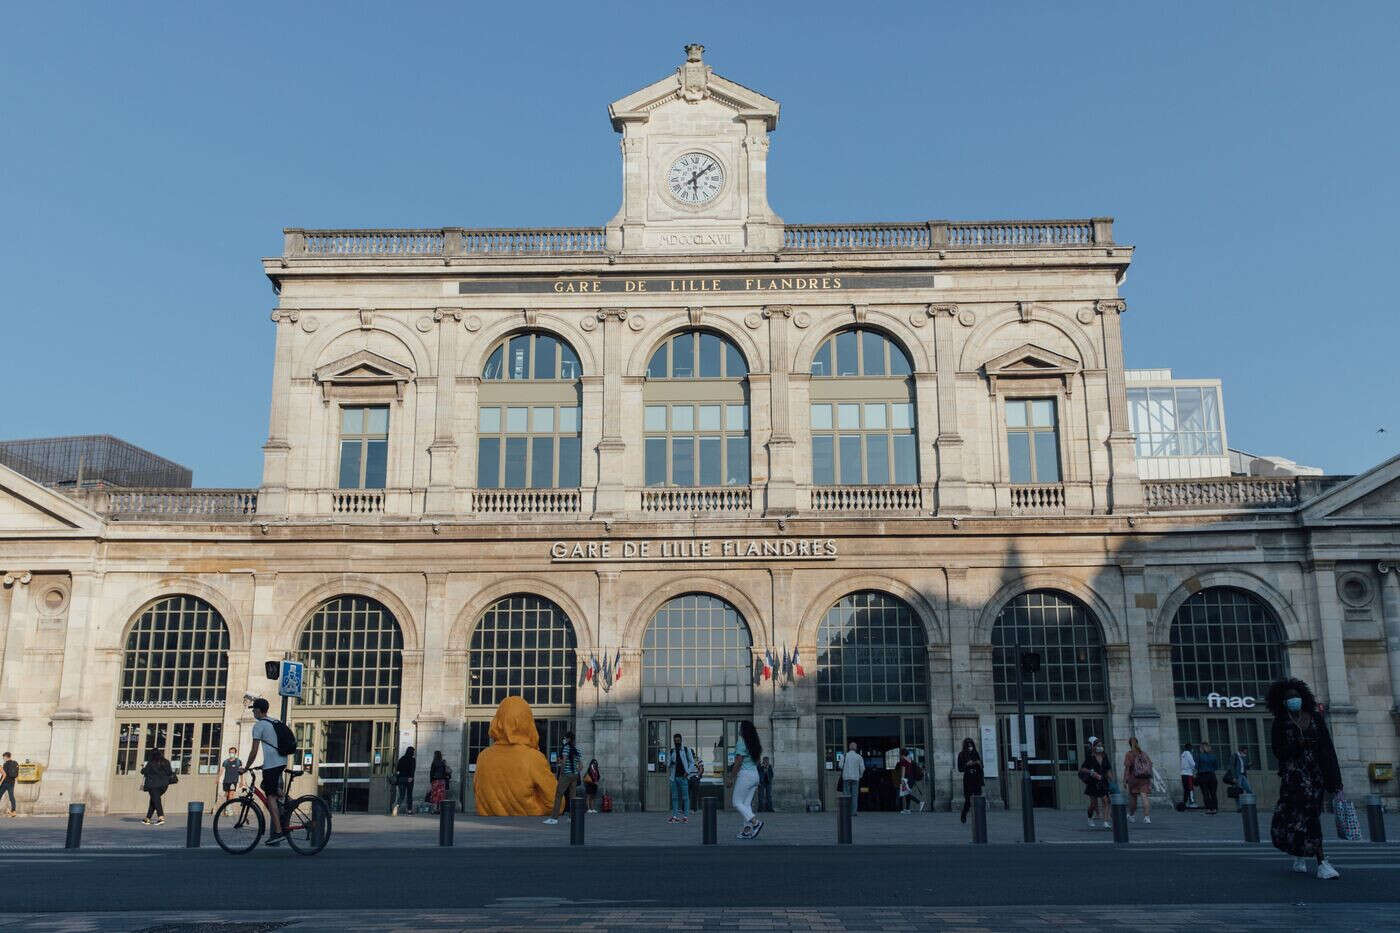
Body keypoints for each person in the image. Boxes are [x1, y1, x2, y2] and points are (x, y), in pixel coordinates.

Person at [1267, 678, 1343, 880]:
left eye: (1297, 697)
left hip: (1315, 774)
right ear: (1283, 703)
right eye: (1290, 698)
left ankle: (1300, 854)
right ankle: (1322, 862)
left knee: (1308, 816)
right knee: (1309, 817)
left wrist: (1335, 781)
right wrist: (1297, 745)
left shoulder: (1315, 719)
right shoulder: (1280, 723)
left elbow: (1328, 750)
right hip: (1294, 776)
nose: (1294, 700)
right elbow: (1278, 752)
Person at [473, 696, 554, 816]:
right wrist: (533, 810)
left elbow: (478, 794)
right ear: (527, 722)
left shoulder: (483, 757)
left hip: (486, 829)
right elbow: (554, 803)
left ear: (498, 721)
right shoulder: (534, 758)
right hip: (525, 829)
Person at [243, 697, 288, 845]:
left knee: (270, 797)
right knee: (265, 786)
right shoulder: (275, 721)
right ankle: (290, 802)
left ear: (258, 710)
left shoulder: (259, 726)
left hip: (272, 765)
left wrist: (246, 767)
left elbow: (254, 750)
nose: (253, 712)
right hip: (280, 762)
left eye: (254, 710)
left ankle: (278, 832)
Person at [727, 720, 764, 839]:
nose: (739, 730)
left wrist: (731, 777)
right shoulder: (755, 743)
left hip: (745, 775)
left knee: (736, 802)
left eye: (740, 728)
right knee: (746, 804)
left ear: (743, 730)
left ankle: (756, 823)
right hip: (755, 774)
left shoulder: (742, 742)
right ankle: (747, 830)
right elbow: (758, 761)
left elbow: (738, 762)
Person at [543, 731, 582, 825]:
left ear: (568, 739)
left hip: (566, 775)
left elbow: (563, 761)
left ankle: (554, 818)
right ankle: (572, 818)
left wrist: (562, 772)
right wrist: (576, 772)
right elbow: (581, 765)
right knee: (572, 796)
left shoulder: (566, 748)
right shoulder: (577, 750)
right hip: (574, 776)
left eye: (565, 738)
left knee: (558, 795)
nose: (564, 740)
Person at [1079, 739, 1113, 829]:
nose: (1100, 747)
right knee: (1093, 804)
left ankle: (1105, 821)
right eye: (1098, 745)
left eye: (1101, 745)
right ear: (1093, 747)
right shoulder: (1090, 757)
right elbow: (1082, 769)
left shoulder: (1104, 756)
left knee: (1106, 800)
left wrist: (1111, 780)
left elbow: (1108, 769)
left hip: (1103, 781)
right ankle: (1090, 818)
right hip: (1093, 782)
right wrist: (1092, 773)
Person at [667, 733, 700, 823]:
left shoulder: (686, 750)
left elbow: (692, 762)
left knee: (685, 797)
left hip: (683, 777)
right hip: (674, 777)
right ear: (673, 741)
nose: (677, 742)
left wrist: (687, 772)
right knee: (674, 797)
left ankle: (685, 816)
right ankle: (675, 816)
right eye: (675, 741)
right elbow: (667, 764)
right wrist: (671, 762)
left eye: (678, 740)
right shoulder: (672, 751)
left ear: (681, 741)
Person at [1122, 736, 1153, 824]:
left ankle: (1131, 816)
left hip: (1134, 779)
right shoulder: (1143, 753)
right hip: (1144, 778)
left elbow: (1127, 768)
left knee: (1133, 799)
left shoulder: (1129, 754)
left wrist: (1125, 780)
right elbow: (1150, 764)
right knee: (1144, 797)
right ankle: (1147, 817)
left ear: (1129, 744)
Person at [140, 748, 174, 826]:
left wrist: (143, 768)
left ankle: (161, 818)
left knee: (156, 800)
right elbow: (169, 772)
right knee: (153, 800)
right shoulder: (166, 762)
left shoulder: (151, 763)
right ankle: (147, 818)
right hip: (164, 785)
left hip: (153, 785)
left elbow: (144, 772)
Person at [956, 737, 984, 823]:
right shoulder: (961, 754)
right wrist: (967, 764)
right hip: (968, 779)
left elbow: (981, 766)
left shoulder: (975, 753)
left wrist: (978, 763)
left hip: (976, 778)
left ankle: (978, 816)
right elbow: (960, 768)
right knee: (968, 800)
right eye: (968, 746)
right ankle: (964, 814)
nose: (970, 747)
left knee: (978, 797)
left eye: (971, 745)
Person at [840, 740, 864, 815]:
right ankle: (853, 812)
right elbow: (862, 768)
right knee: (854, 796)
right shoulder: (859, 757)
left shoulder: (844, 756)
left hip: (846, 778)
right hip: (855, 778)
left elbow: (840, 766)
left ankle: (846, 811)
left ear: (849, 748)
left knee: (846, 795)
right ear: (856, 748)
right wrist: (860, 775)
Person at [896, 748, 924, 813]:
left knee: (906, 794)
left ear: (902, 755)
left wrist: (902, 780)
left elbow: (903, 771)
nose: (900, 756)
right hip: (912, 779)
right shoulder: (910, 760)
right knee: (906, 793)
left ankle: (919, 802)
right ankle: (908, 809)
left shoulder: (903, 761)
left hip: (906, 779)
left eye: (900, 754)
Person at [1196, 741, 1220, 814]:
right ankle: (1215, 808)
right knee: (1213, 793)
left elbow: (1196, 766)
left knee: (1205, 793)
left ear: (1201, 748)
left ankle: (1209, 808)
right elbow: (1216, 767)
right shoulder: (1213, 756)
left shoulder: (1199, 756)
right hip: (1212, 775)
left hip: (1203, 775)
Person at [394, 746, 416, 815]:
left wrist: (398, 779)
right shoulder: (412, 759)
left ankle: (396, 808)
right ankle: (409, 810)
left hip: (401, 778)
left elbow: (397, 770)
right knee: (409, 795)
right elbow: (412, 769)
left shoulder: (401, 759)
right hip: (409, 778)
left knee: (401, 795)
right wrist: (411, 777)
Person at [1180, 743, 1198, 808]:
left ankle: (1185, 802)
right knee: (1190, 788)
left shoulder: (1182, 754)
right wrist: (1195, 769)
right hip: (1188, 774)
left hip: (1183, 773)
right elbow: (1192, 763)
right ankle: (1191, 802)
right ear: (1190, 748)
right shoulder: (1188, 754)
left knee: (1186, 789)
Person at [1, 752, 19, 817]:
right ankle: (13, 811)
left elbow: (4, 775)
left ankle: (12, 811)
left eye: (3, 757)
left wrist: (0, 782)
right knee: (11, 797)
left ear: (6, 757)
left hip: (4, 783)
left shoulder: (5, 764)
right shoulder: (15, 763)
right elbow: (16, 774)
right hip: (12, 782)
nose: (3, 758)